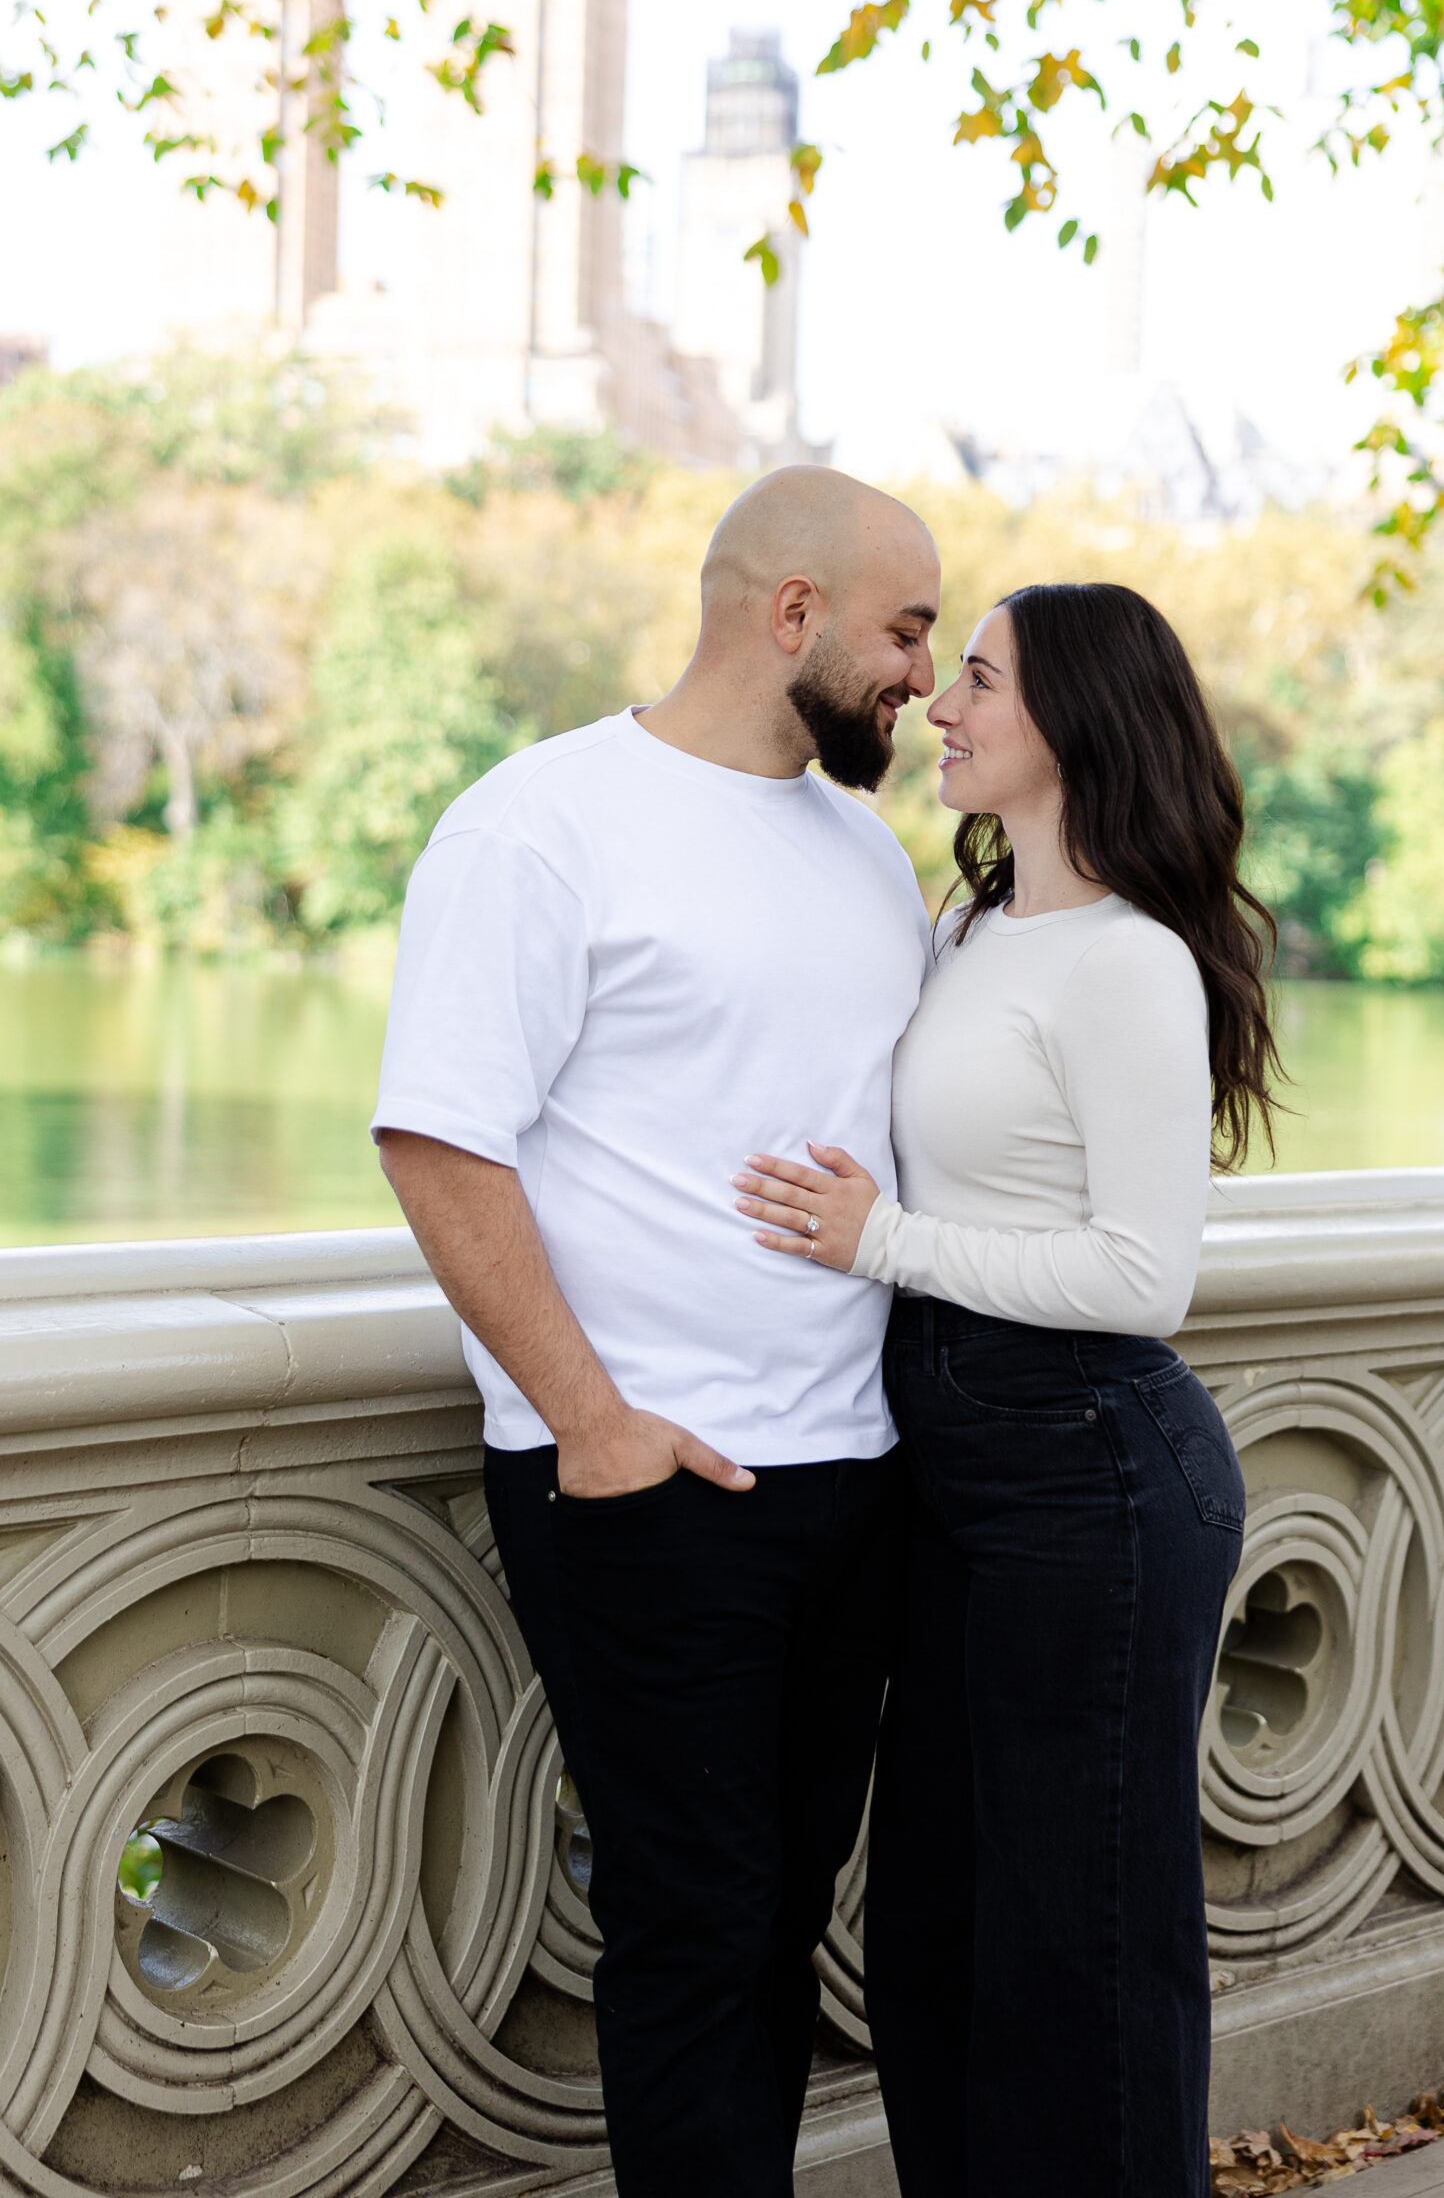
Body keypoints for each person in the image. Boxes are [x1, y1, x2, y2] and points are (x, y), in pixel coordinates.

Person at [370, 466, 941, 2198]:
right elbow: (438, 1137)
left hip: (856, 1479)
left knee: (778, 1919)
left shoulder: (864, 850)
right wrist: (593, 1420)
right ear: (795, 616)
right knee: (693, 1930)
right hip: (651, 1479)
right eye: (907, 630)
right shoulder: (540, 824)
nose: (925, 672)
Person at [729, 580, 1279, 2198]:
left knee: (1080, 1957)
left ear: (1079, 726)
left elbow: (1140, 1277)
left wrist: (881, 1240)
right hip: (955, 1469)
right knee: (933, 1935)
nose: (942, 706)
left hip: (1092, 1474)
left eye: (977, 679)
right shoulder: (967, 927)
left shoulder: (1131, 966)